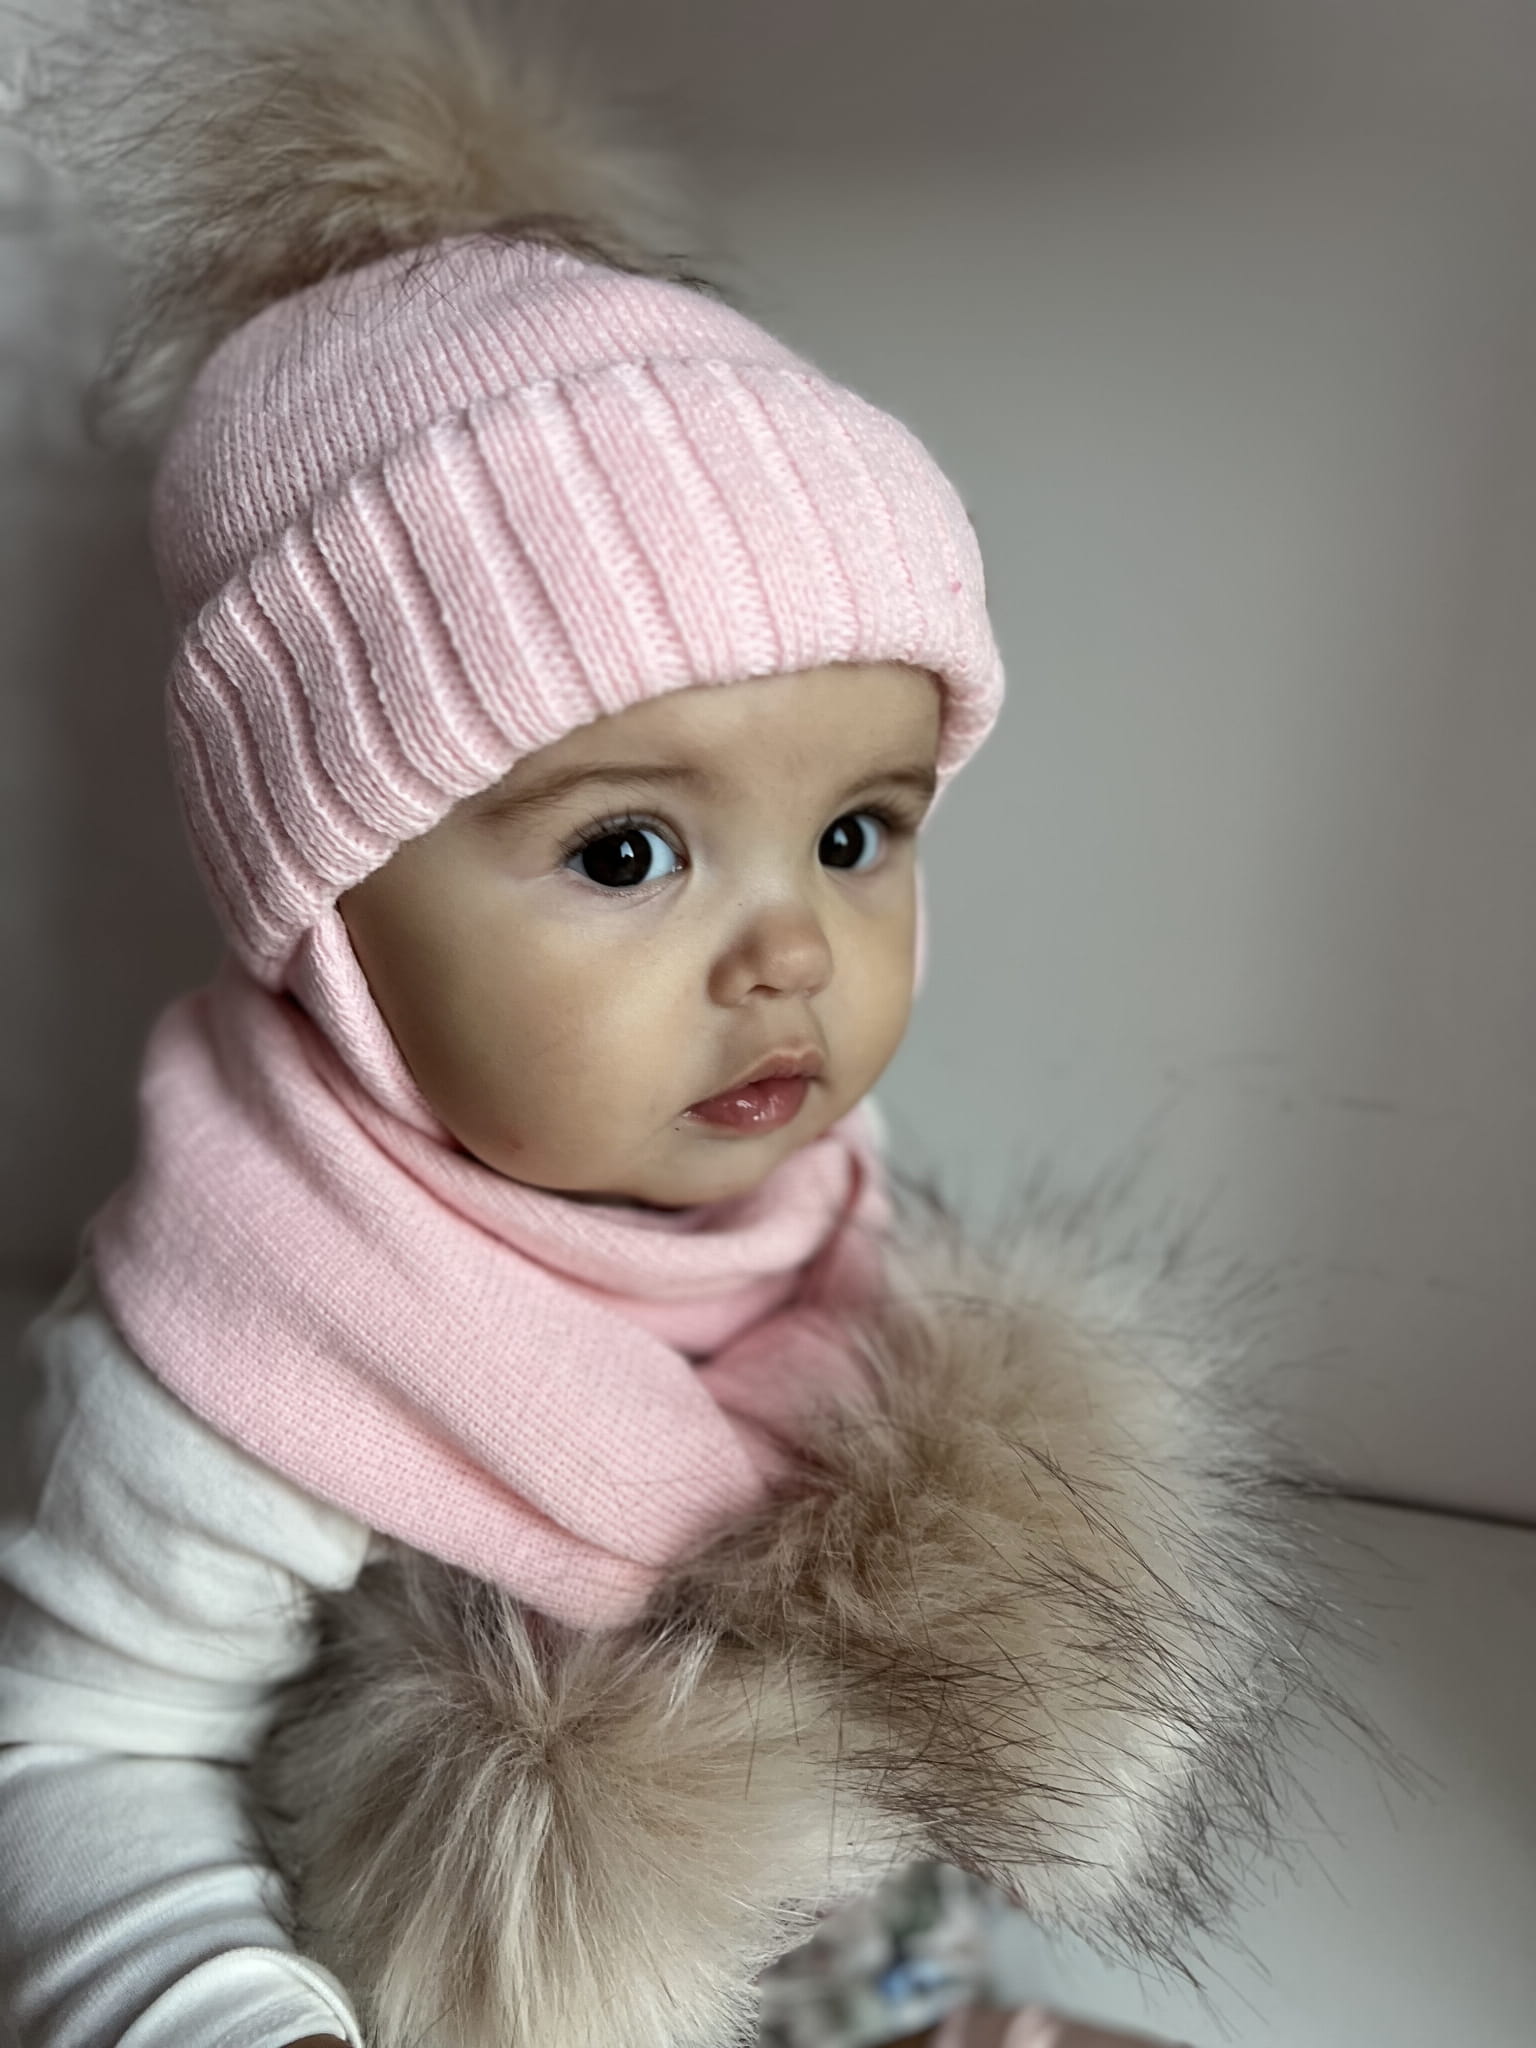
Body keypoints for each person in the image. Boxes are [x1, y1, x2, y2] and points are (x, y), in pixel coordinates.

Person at [0, 5, 1300, 2045]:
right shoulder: (234, 1340)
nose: (792, 954)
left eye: (856, 834)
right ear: (329, 912)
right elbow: (78, 1748)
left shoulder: (809, 1195)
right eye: (628, 853)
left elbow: (835, 1710)